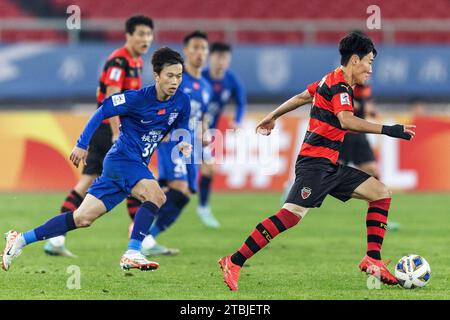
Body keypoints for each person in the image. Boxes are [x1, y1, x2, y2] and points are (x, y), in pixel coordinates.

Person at [218, 31, 416, 291]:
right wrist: (389, 130)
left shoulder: (329, 79)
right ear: (355, 60)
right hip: (314, 164)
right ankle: (233, 260)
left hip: (329, 164)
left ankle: (373, 259)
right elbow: (346, 120)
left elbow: (301, 97)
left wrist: (273, 115)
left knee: (380, 192)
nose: (370, 69)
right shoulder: (340, 86)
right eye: (369, 62)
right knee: (291, 216)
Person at [2, 47, 192, 272]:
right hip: (122, 159)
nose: (175, 81)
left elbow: (181, 125)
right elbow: (103, 110)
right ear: (157, 75)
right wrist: (82, 144)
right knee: (156, 195)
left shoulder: (181, 101)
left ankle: (20, 239)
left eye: (179, 76)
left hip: (128, 165)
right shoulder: (136, 98)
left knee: (82, 218)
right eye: (170, 75)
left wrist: (183, 141)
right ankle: (132, 252)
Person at [44, 15, 154, 257]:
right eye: (141, 34)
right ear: (129, 35)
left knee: (123, 180)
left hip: (113, 130)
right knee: (123, 180)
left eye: (149, 34)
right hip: (107, 130)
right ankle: (142, 241)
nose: (146, 39)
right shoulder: (119, 61)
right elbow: (112, 98)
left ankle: (57, 238)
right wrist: (117, 133)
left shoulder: (135, 61)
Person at [140, 30, 212, 256]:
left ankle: (148, 237)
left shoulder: (206, 87)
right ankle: (141, 233)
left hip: (191, 145)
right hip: (172, 141)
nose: (199, 53)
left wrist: (205, 132)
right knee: (178, 189)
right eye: (195, 47)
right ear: (187, 51)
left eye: (203, 48)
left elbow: (201, 116)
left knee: (185, 194)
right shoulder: (175, 78)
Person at [198, 42, 247, 228]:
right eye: (218, 57)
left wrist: (238, 120)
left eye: (225, 58)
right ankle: (202, 208)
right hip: (188, 130)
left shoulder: (231, 80)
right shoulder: (200, 77)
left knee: (209, 169)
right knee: (182, 181)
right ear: (211, 58)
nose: (221, 62)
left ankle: (203, 208)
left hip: (208, 134)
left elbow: (241, 102)